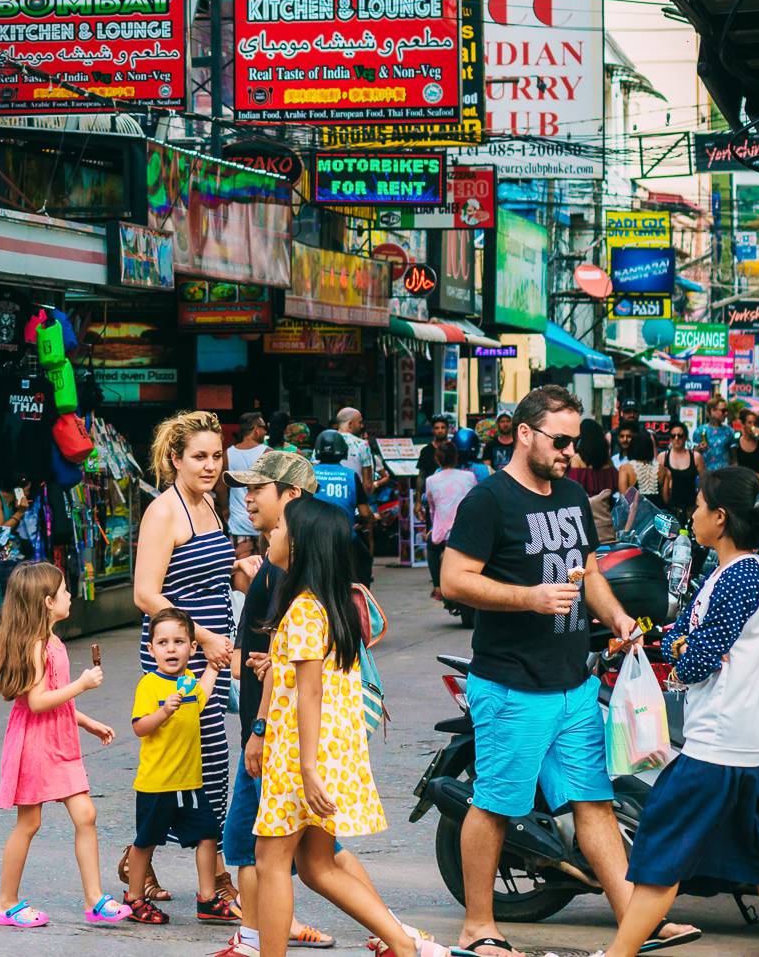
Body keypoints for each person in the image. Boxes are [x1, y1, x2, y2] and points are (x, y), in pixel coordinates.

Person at [439, 385, 699, 956]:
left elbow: (589, 573)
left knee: (594, 803)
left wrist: (619, 618)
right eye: (560, 441)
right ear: (524, 433)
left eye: (575, 441)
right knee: (497, 804)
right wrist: (528, 598)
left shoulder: (572, 497)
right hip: (512, 685)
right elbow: (454, 579)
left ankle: (636, 919)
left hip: (574, 683)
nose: (570, 452)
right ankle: (478, 926)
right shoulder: (489, 501)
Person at [590, 467, 759, 957]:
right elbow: (689, 634)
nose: (692, 514)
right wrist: (652, 640)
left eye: (699, 506)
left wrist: (679, 660)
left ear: (721, 517)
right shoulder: (730, 573)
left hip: (718, 745)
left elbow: (701, 656)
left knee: (661, 853)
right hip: (745, 746)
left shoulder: (740, 577)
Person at [249, 497, 447, 957]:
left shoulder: (302, 608)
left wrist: (306, 768)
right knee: (317, 864)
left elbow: (310, 693)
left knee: (271, 861)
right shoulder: (331, 605)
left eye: (279, 528)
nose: (270, 535)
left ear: (299, 546)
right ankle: (401, 944)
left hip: (302, 755)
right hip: (329, 749)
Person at [224, 450, 370, 954]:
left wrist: (261, 733)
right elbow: (280, 660)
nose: (247, 498)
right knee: (318, 862)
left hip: (283, 746)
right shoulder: (281, 565)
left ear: (291, 498)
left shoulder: (287, 571)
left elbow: (306, 682)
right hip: (280, 740)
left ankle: (255, 941)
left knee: (259, 853)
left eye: (258, 488)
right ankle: (396, 937)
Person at [130, 410, 236, 921]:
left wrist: (242, 569)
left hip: (213, 653)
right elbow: (146, 592)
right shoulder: (164, 512)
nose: (210, 465)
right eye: (199, 456)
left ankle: (161, 863)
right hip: (179, 656)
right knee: (190, 759)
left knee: (207, 762)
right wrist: (204, 637)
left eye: (216, 456)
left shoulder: (211, 505)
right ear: (175, 459)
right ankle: (196, 874)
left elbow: (206, 572)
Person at [0, 561, 129, 929]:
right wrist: (82, 685)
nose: (70, 596)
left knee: (86, 814)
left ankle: (95, 898)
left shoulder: (53, 641)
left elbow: (54, 699)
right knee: (29, 822)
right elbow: (37, 702)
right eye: (64, 591)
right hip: (36, 744)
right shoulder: (36, 646)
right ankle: (6, 901)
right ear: (48, 602)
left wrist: (87, 722)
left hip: (59, 741)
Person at [121, 607, 223, 925]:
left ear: (192, 648)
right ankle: (134, 898)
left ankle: (207, 899)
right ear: (151, 649)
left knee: (208, 835)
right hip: (157, 784)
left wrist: (214, 668)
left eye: (179, 641)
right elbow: (140, 727)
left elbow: (202, 697)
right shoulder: (150, 685)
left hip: (190, 783)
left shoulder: (190, 682)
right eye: (163, 642)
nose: (171, 648)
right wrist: (163, 712)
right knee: (145, 842)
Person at [309, 430, 370, 585]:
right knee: (364, 561)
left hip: (312, 536)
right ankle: (363, 598)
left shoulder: (308, 473)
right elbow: (364, 512)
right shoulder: (351, 476)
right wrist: (367, 520)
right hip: (344, 536)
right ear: (343, 451)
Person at [422, 439, 477, 599]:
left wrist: (433, 527)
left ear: (438, 460)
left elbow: (432, 508)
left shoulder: (431, 480)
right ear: (456, 458)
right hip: (467, 528)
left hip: (442, 531)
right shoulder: (469, 476)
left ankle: (437, 586)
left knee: (431, 547)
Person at [225, 412, 271, 559]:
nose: (265, 432)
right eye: (263, 428)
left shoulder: (228, 453)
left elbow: (220, 488)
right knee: (265, 571)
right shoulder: (268, 453)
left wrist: (226, 509)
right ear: (256, 429)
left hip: (238, 523)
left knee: (242, 570)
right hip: (264, 522)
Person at [567, 420, 620, 547]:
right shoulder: (608, 462)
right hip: (605, 519)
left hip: (584, 518)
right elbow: (614, 488)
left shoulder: (577, 460)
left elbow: (574, 490)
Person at [619, 429, 659, 539]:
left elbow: (624, 500)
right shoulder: (663, 471)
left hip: (633, 526)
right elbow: (666, 499)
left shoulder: (625, 469)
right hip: (658, 525)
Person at [333, 408, 378, 501]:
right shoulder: (362, 445)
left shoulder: (323, 443)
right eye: (359, 422)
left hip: (326, 505)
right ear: (350, 424)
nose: (361, 426)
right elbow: (368, 485)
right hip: (353, 505)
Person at [657, 423, 699, 522]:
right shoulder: (662, 457)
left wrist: (697, 506)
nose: (676, 438)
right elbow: (658, 485)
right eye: (673, 435)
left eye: (680, 435)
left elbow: (704, 483)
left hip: (690, 509)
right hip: (669, 510)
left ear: (685, 438)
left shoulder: (696, 457)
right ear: (670, 438)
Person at [698, 397, 737, 472]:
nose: (726, 413)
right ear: (712, 411)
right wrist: (698, 449)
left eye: (727, 410)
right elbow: (694, 455)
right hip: (706, 476)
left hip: (725, 476)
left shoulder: (729, 431)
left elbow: (734, 458)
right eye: (723, 411)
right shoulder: (700, 431)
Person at [732, 410, 759, 475]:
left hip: (758, 481)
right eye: (749, 423)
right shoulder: (737, 442)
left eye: (754, 423)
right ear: (743, 424)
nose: (752, 426)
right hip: (743, 481)